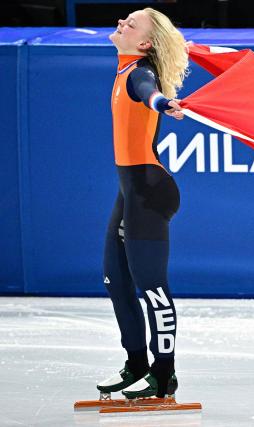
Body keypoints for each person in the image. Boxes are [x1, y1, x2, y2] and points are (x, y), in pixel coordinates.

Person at [97, 7, 189, 400]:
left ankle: (164, 373)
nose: (121, 23)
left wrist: (162, 103)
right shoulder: (122, 68)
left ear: (144, 43)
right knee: (116, 280)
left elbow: (148, 91)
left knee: (151, 287)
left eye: (130, 24)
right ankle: (137, 363)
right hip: (130, 191)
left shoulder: (138, 71)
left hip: (149, 192)